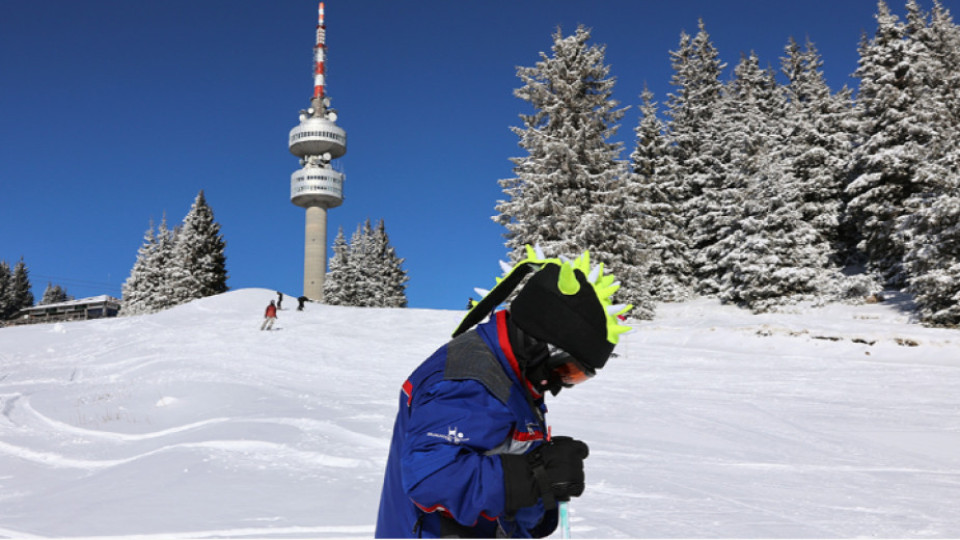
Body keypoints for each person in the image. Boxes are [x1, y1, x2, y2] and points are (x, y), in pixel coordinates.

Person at [375, 246, 632, 538]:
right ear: (541, 344)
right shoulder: (470, 379)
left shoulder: (513, 376)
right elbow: (430, 477)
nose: (562, 384)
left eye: (576, 377)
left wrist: (544, 479)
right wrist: (536, 476)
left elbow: (506, 476)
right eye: (566, 370)